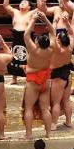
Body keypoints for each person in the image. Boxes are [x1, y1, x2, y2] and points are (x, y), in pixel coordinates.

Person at [22, 10, 57, 139]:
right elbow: (53, 32)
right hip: (46, 81)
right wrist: (46, 20)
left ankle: (29, 133)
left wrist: (33, 19)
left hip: (33, 81)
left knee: (29, 108)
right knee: (45, 109)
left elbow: (26, 35)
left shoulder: (34, 50)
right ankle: (48, 134)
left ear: (36, 42)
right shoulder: (52, 48)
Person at [2, 0, 36, 84]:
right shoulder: (15, 12)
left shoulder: (31, 13)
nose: (22, 3)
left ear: (29, 7)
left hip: (27, 38)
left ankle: (28, 77)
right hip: (16, 37)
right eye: (21, 2)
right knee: (14, 57)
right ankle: (14, 78)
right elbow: (6, 6)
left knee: (28, 57)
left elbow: (42, 8)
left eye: (25, 3)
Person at [49, 13, 74, 129]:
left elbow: (51, 34)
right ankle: (69, 122)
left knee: (55, 102)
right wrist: (67, 23)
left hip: (57, 77)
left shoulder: (57, 49)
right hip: (67, 75)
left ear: (59, 40)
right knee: (66, 100)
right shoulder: (70, 47)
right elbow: (71, 33)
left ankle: (54, 124)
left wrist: (55, 22)